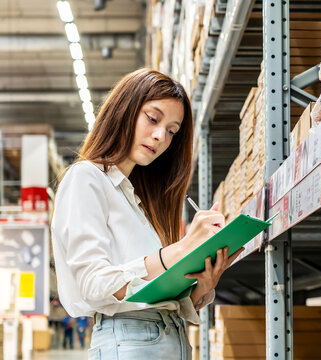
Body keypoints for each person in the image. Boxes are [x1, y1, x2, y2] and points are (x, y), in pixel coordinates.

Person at [51, 68, 243, 359]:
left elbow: (152, 296)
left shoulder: (139, 203)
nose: (159, 137)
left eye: (171, 132)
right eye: (153, 119)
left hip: (170, 337)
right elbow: (92, 284)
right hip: (128, 339)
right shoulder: (86, 178)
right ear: (124, 110)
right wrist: (180, 250)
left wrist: (202, 284)